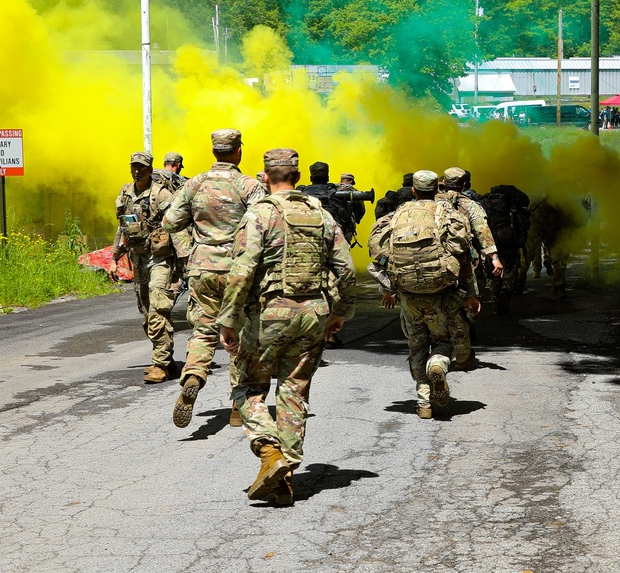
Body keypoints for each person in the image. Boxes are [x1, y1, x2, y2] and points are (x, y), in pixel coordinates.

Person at [218, 148, 356, 505]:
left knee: (246, 386)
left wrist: (229, 320)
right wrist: (340, 311)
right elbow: (346, 269)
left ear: (265, 177)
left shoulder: (260, 213)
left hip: (271, 313)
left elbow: (242, 270)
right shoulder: (320, 213)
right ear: (296, 177)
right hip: (313, 315)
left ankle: (269, 453)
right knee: (294, 391)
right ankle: (286, 477)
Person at [162, 129, 267, 429]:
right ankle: (238, 406)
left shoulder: (194, 184)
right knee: (240, 336)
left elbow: (170, 222)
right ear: (238, 152)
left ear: (214, 151)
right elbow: (264, 226)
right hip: (238, 272)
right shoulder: (249, 186)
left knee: (204, 331)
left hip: (202, 269)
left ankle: (194, 375)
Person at [370, 170, 479, 419]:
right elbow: (464, 259)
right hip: (444, 292)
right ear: (437, 190)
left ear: (413, 190)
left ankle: (423, 402)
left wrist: (388, 290)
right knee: (444, 340)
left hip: (408, 294)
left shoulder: (395, 217)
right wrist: (472, 294)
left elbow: (382, 255)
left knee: (417, 344)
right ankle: (438, 364)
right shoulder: (451, 216)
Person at [108, 152, 180, 384]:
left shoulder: (161, 194)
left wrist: (185, 258)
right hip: (138, 259)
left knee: (159, 309)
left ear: (150, 169)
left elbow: (178, 224)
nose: (137, 171)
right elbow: (123, 228)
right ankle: (167, 361)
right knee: (147, 313)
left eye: (141, 167)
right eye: (134, 167)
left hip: (160, 259)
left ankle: (160, 364)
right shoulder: (126, 194)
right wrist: (114, 257)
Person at [437, 167, 503, 369]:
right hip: (464, 263)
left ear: (444, 182)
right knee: (466, 301)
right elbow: (482, 231)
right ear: (465, 184)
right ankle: (461, 349)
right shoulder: (470, 205)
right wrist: (494, 258)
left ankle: (439, 343)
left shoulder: (430, 203)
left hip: (433, 261)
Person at [475, 184, 531, 315]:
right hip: (509, 241)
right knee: (511, 269)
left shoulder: (484, 203)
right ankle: (506, 290)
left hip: (490, 242)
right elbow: (521, 222)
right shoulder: (510, 204)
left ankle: (496, 301)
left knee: (492, 272)